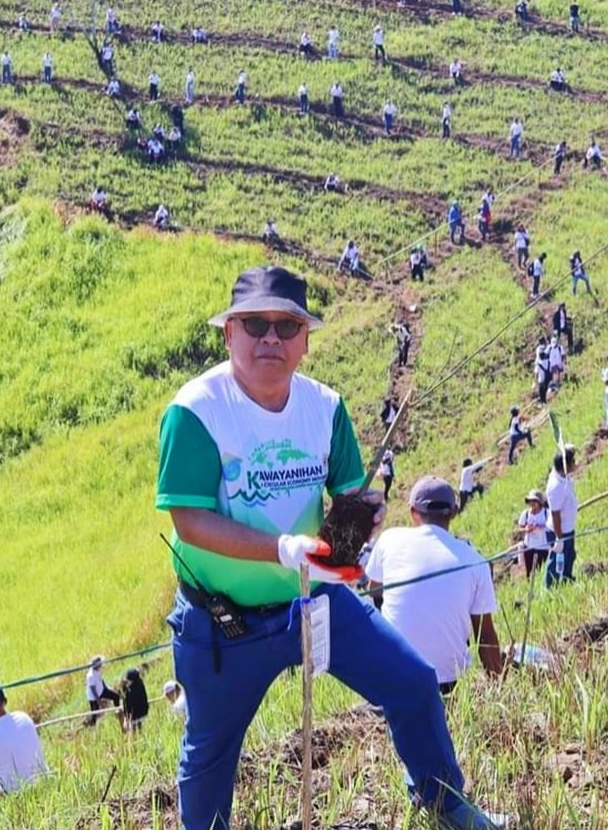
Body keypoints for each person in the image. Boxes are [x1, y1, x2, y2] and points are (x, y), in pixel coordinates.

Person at [156, 266, 502, 830]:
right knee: (211, 754)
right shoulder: (196, 411)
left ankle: (445, 803)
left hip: (313, 600)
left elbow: (347, 494)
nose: (271, 338)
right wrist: (280, 548)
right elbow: (189, 520)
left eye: (287, 326)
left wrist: (361, 516)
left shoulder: (325, 407)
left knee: (411, 682)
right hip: (224, 624)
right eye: (256, 324)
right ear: (228, 334)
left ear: (306, 339)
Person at [365, 476, 501, 695]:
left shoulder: (389, 540)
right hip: (450, 682)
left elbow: (374, 589)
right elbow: (485, 635)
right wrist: (498, 691)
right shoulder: (475, 560)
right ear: (454, 513)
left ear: (412, 512)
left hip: (395, 674)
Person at [545, 447, 578, 586]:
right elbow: (555, 514)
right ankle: (551, 586)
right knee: (557, 558)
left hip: (568, 529)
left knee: (570, 556)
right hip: (559, 531)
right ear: (566, 466)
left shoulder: (562, 475)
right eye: (573, 461)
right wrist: (559, 538)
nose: (575, 464)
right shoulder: (555, 486)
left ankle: (567, 580)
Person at [85, 655, 122, 725]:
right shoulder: (90, 676)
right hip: (93, 697)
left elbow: (101, 680)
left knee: (116, 696)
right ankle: (92, 724)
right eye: (100, 663)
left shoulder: (98, 671)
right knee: (95, 712)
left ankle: (118, 711)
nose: (102, 665)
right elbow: (93, 690)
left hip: (102, 690)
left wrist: (107, 688)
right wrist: (99, 701)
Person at [533, 336, 552, 403]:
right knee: (545, 387)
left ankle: (542, 400)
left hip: (542, 380)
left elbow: (536, 373)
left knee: (541, 388)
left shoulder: (539, 363)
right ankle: (544, 400)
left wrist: (534, 382)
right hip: (548, 378)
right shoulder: (548, 361)